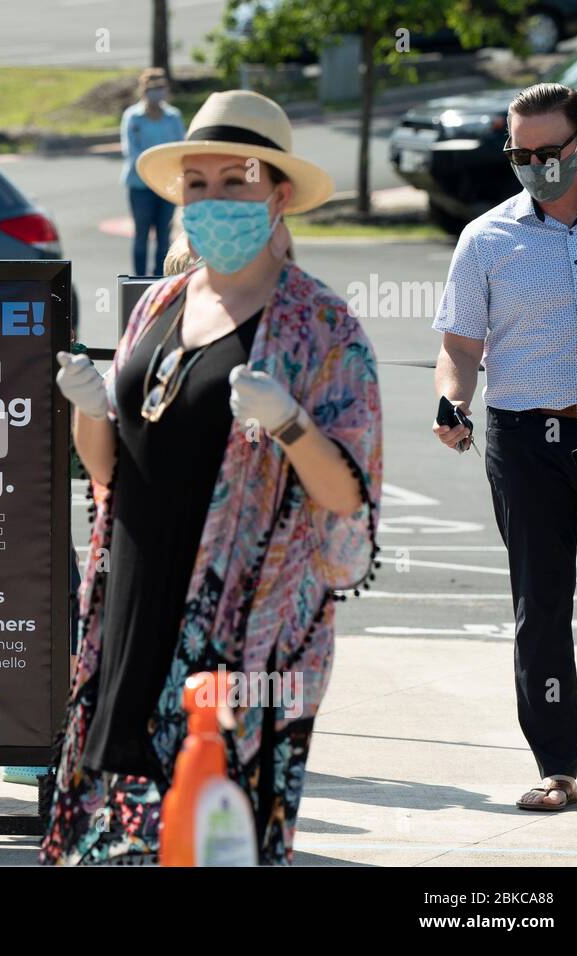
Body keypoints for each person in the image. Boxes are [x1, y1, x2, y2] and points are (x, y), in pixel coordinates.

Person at [43, 91, 382, 865]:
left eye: (238, 180)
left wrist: (291, 422)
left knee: (215, 841)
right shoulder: (160, 304)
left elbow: (347, 501)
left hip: (242, 640)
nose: (214, 199)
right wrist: (92, 411)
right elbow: (109, 476)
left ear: (279, 192)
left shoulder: (322, 328)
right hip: (127, 615)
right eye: (198, 185)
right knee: (109, 843)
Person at [433, 81, 577, 813]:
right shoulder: (486, 238)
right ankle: (557, 765)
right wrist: (452, 399)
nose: (535, 165)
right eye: (519, 154)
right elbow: (460, 347)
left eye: (549, 151)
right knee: (542, 601)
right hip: (525, 437)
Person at [121, 68, 184, 276]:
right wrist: (151, 173)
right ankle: (138, 280)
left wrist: (165, 174)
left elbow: (178, 149)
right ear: (144, 90)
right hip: (140, 186)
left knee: (164, 236)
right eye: (152, 88)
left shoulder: (173, 117)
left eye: (161, 88)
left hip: (166, 186)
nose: (157, 92)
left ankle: (160, 278)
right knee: (141, 235)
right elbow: (131, 151)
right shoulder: (133, 117)